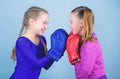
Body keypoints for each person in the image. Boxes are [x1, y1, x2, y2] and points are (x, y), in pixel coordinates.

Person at [10, 6, 68, 79]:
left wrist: (59, 51)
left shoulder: (42, 40)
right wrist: (54, 51)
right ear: (31, 22)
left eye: (47, 23)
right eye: (44, 23)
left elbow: (46, 66)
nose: (46, 26)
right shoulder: (22, 42)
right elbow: (37, 63)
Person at [66, 6, 107, 79]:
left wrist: (75, 57)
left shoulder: (89, 45)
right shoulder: (83, 39)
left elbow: (84, 72)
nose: (70, 25)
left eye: (71, 22)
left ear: (81, 23)